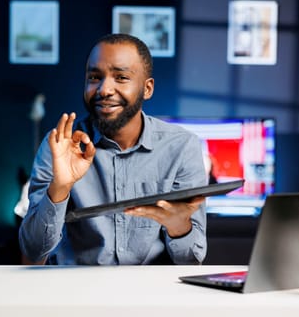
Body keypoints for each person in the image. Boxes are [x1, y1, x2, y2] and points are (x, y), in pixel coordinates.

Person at [19, 33, 208, 265]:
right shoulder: (60, 145)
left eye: (121, 77)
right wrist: (60, 188)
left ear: (147, 89)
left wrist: (179, 226)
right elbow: (33, 249)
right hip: (76, 294)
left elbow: (191, 259)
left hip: (150, 296)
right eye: (94, 77)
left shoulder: (181, 147)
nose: (105, 89)